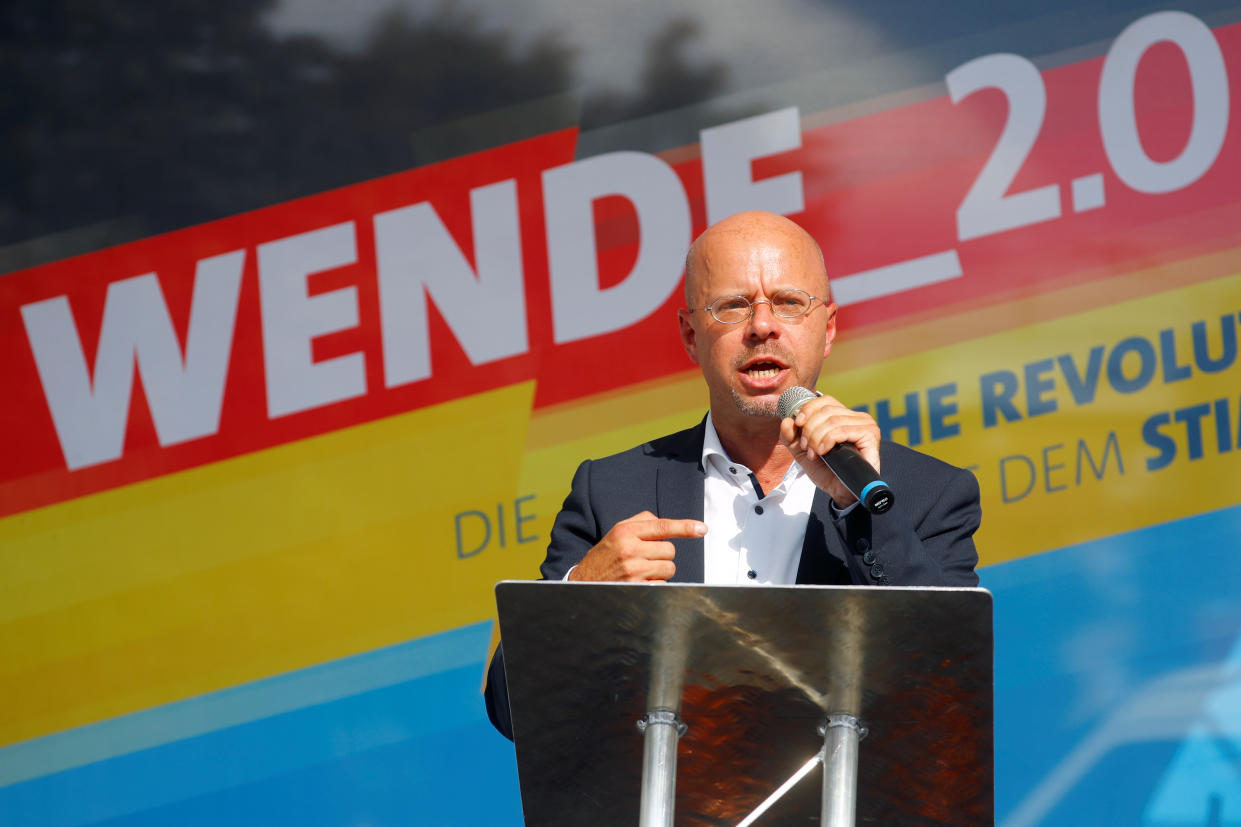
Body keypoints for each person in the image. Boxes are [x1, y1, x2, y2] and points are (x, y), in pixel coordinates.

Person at [484, 210, 980, 740]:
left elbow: (951, 685)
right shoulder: (611, 491)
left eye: (789, 303)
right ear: (690, 335)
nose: (762, 326)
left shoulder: (927, 493)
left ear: (828, 328)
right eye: (733, 305)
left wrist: (856, 509)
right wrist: (580, 598)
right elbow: (512, 711)